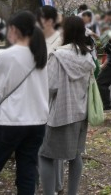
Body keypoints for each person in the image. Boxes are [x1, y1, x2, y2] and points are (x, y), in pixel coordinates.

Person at [0, 11, 49, 195]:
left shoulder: (6, 56)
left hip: (9, 122)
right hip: (37, 122)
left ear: (14, 29)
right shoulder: (41, 56)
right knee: (27, 172)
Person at [39, 16, 95, 195]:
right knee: (75, 155)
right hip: (81, 112)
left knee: (45, 155)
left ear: (66, 32)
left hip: (60, 114)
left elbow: (50, 85)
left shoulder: (58, 55)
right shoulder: (87, 56)